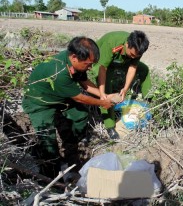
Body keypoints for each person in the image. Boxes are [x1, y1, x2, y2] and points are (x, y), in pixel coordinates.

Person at [22, 36, 115, 178]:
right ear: (74, 57)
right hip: (40, 102)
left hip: (60, 96)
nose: (90, 68)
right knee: (48, 140)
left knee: (81, 115)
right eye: (88, 64)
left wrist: (103, 95)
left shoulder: (77, 62)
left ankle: (72, 144)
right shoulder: (59, 72)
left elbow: (85, 83)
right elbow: (79, 97)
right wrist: (103, 103)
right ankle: (51, 174)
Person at [92, 30, 151, 139]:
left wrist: (125, 88)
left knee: (144, 70)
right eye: (132, 54)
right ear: (127, 44)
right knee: (106, 91)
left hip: (121, 62)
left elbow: (132, 67)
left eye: (136, 56)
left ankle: (149, 100)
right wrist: (101, 93)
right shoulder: (112, 42)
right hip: (103, 63)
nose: (134, 57)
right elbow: (102, 68)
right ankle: (109, 125)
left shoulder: (137, 49)